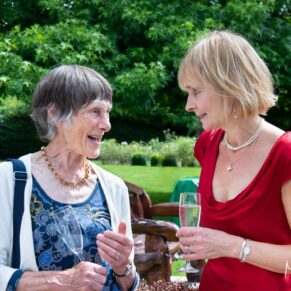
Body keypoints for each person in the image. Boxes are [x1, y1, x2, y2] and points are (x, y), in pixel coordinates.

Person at [0, 65, 139, 290]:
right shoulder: (9, 179)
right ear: (54, 113)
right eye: (95, 111)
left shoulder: (113, 187)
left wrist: (124, 267)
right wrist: (61, 280)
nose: (107, 124)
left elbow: (127, 283)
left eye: (107, 112)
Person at [176, 30, 291, 290]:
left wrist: (231, 246)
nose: (188, 105)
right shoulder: (207, 146)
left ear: (227, 87)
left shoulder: (285, 153)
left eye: (195, 91)